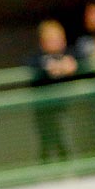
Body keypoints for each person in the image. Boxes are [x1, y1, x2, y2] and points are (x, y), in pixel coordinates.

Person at [28, 21, 82, 163]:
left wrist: (71, 65)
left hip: (66, 108)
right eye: (50, 40)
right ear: (42, 43)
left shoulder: (71, 54)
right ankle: (46, 172)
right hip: (44, 112)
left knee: (66, 139)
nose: (55, 43)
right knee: (46, 143)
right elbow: (30, 64)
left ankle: (70, 169)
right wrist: (50, 67)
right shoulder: (37, 59)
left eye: (58, 39)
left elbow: (83, 59)